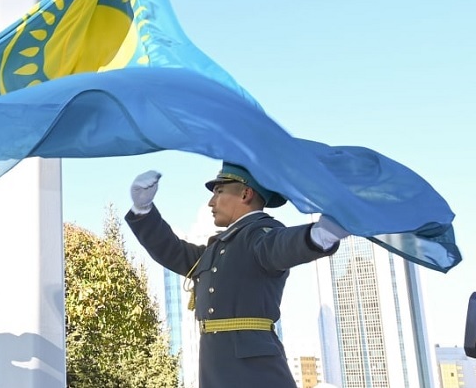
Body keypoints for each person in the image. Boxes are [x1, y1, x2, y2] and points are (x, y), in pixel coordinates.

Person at [125, 162, 350, 388]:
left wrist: (319, 236)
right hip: (216, 369)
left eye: (219, 191)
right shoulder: (218, 248)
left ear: (245, 194)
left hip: (253, 373)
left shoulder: (259, 234)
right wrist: (143, 211)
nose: (211, 202)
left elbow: (281, 246)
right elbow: (174, 252)